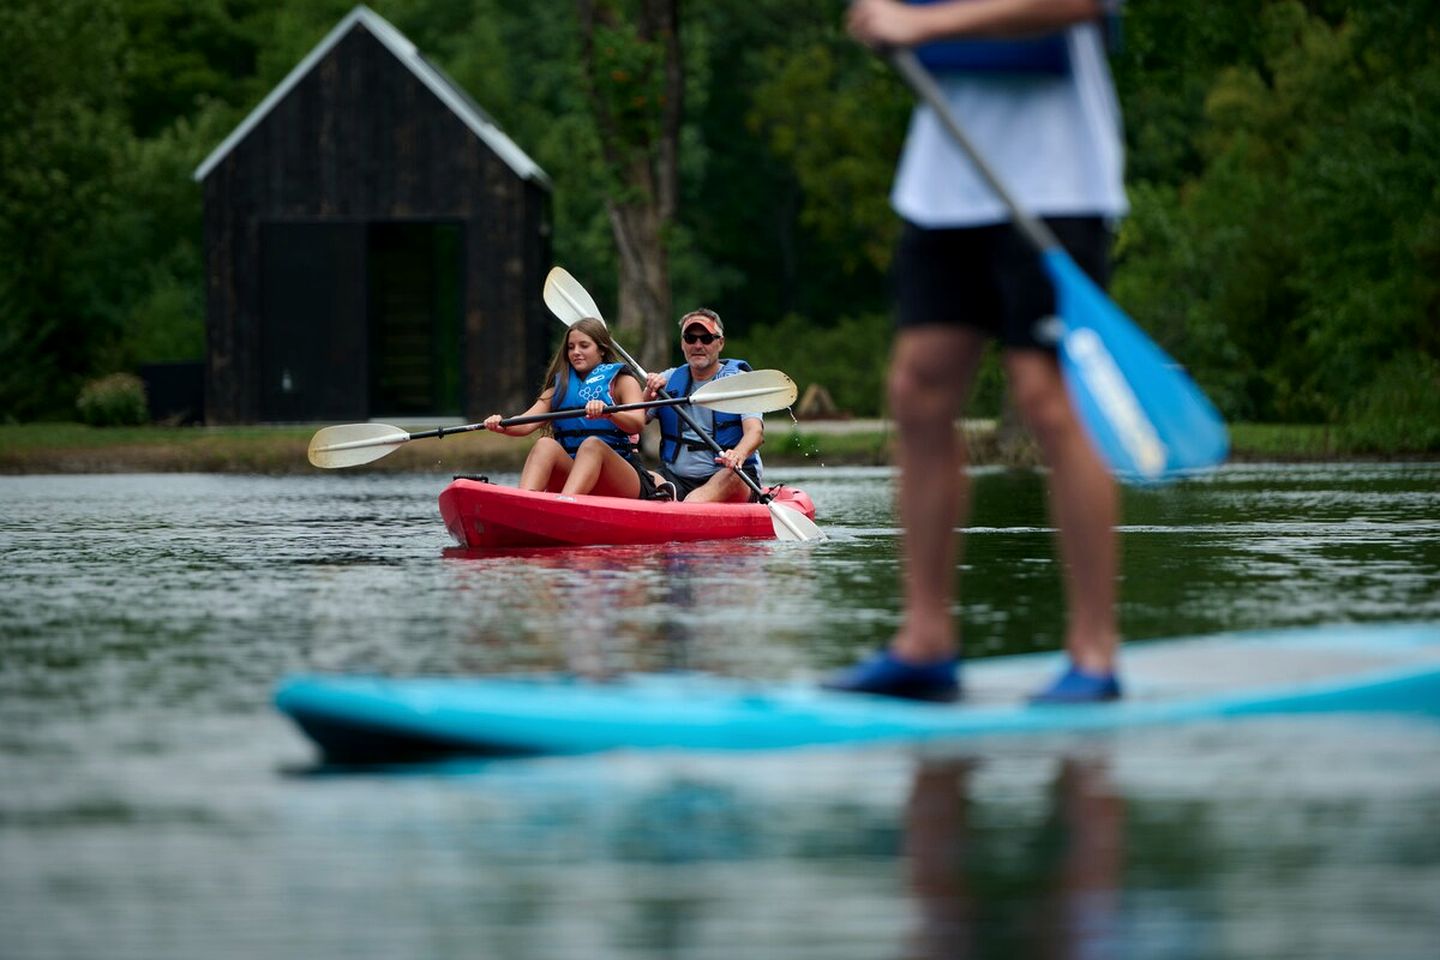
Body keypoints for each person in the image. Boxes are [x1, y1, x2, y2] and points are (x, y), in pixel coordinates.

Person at [827, 0, 1127, 703]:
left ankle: (1094, 650)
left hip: (1059, 181)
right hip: (944, 181)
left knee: (1044, 394)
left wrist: (921, 25)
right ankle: (926, 640)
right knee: (917, 390)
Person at [483, 317, 658, 499]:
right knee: (545, 444)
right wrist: (501, 425)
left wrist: (609, 413)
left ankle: (564, 505)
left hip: (623, 478)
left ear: (602, 349)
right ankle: (523, 502)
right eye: (571, 347)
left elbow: (637, 423)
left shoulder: (623, 382)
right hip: (576, 473)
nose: (576, 352)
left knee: (592, 444)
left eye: (584, 346)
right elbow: (524, 424)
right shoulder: (559, 390)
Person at [641, 308, 766, 503]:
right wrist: (648, 393)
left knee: (729, 476)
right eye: (690, 338)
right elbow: (632, 423)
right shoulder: (667, 380)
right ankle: (675, 506)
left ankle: (687, 507)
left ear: (720, 343)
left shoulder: (741, 384)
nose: (697, 345)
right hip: (675, 478)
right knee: (644, 477)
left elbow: (755, 433)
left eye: (706, 338)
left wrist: (738, 454)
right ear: (683, 343)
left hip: (731, 474)